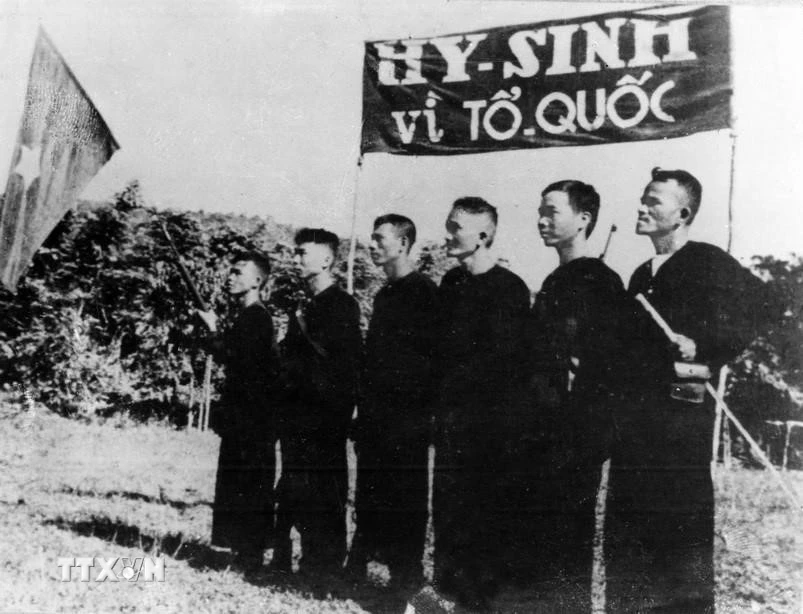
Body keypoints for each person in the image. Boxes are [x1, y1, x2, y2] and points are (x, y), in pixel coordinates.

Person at [606, 168, 769, 613]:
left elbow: (764, 304)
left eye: (653, 201)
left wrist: (705, 346)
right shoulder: (640, 274)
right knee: (630, 539)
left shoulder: (706, 260)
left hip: (679, 429)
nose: (642, 207)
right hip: (635, 428)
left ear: (682, 214)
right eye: (642, 199)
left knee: (676, 541)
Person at [525, 180, 629, 610]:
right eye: (540, 211)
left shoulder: (600, 281)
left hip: (574, 434)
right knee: (539, 541)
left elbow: (610, 365)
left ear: (584, 219)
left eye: (552, 211)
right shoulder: (555, 279)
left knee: (566, 540)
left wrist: (588, 435)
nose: (541, 220)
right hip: (541, 429)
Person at [433, 197, 531, 610]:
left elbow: (508, 367)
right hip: (451, 424)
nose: (448, 235)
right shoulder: (450, 284)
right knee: (447, 514)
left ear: (483, 235)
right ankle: (447, 597)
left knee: (484, 518)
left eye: (456, 228)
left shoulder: (510, 290)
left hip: (490, 429)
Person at [348, 214, 439, 589]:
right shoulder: (385, 294)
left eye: (379, 238)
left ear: (402, 244)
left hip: (406, 422)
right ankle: (356, 574)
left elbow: (429, 362)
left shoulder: (423, 292)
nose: (371, 245)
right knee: (370, 498)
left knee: (405, 508)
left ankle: (414, 592)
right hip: (377, 419)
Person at [272, 228, 362, 577]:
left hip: (324, 418)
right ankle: (296, 560)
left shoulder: (342, 305)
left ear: (326, 260)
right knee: (295, 486)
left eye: (302, 253)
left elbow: (346, 366)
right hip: (297, 415)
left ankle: (324, 568)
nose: (295, 259)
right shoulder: (304, 306)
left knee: (325, 491)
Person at [197, 252, 279, 572]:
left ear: (257, 280)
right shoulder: (249, 316)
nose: (230, 277)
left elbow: (235, 359)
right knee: (241, 482)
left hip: (253, 418)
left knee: (249, 483)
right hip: (245, 415)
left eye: (238, 272)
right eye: (230, 271)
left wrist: (212, 330)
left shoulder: (256, 317)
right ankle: (244, 553)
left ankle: (250, 556)